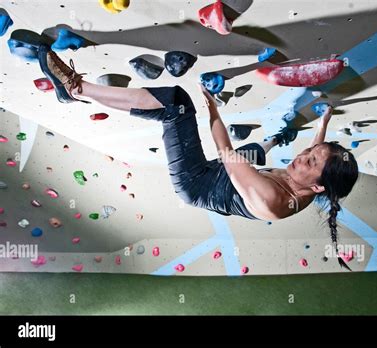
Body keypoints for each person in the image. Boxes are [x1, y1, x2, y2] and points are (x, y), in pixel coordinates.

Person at [37, 45, 359, 269]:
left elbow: (225, 150)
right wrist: (324, 123)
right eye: (309, 153)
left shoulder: (274, 198)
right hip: (230, 176)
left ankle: (77, 90)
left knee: (177, 106)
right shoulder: (314, 184)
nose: (303, 158)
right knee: (258, 154)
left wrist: (212, 108)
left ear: (317, 186)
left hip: (198, 182)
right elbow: (318, 153)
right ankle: (277, 137)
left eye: (311, 162)